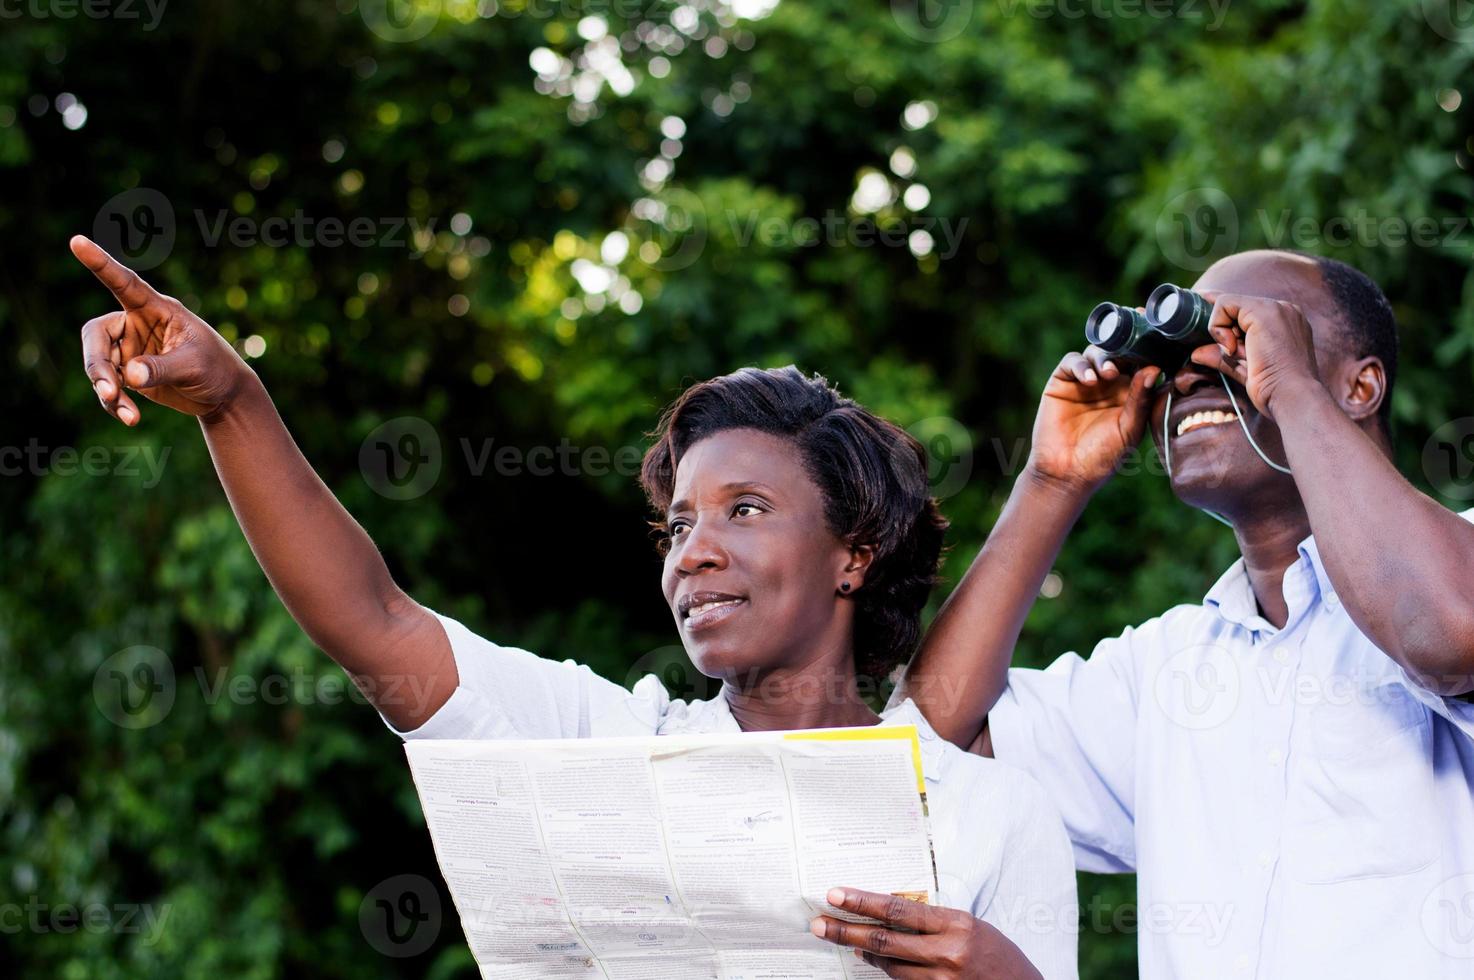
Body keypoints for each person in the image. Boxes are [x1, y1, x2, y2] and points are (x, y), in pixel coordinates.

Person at [69, 234, 1079, 979]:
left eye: (746, 509)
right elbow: (372, 619)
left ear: (852, 554)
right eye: (677, 525)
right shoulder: (603, 744)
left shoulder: (989, 811)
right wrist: (233, 401)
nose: (697, 550)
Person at [895, 248, 1474, 978]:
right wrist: (1052, 482)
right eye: (1174, 355)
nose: (1192, 371)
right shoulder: (1166, 671)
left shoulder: (1459, 563)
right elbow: (929, 747)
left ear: (1360, 386)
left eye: (1236, 340)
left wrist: (1288, 385)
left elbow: (1452, 637)